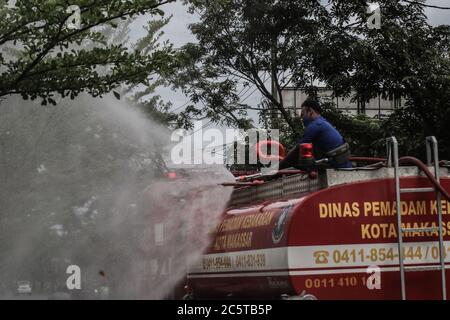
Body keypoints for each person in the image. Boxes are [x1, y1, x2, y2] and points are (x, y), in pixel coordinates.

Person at [279, 99, 352, 170]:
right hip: (340, 163)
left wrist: (284, 161)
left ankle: (275, 171)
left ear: (310, 111)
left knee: (299, 149)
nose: (302, 118)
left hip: (333, 164)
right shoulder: (322, 122)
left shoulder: (315, 125)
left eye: (303, 114)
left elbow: (299, 147)